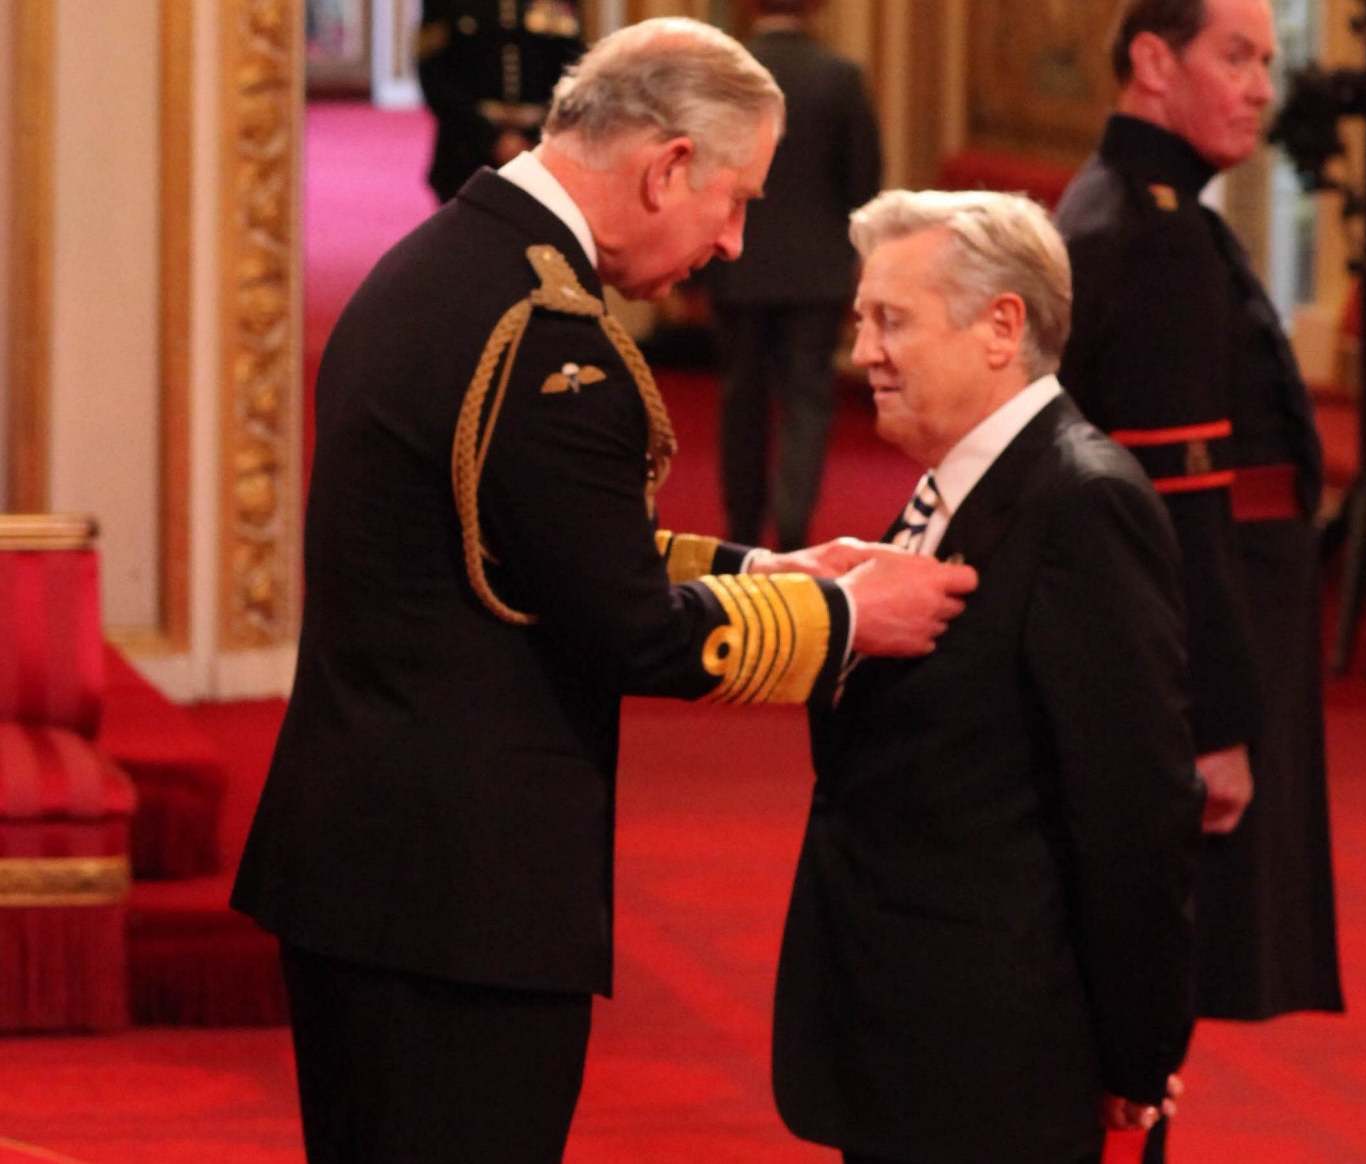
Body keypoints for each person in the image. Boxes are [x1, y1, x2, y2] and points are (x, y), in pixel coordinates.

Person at [232, 19, 977, 1164]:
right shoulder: (549, 339)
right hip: (461, 901)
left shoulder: (446, 260)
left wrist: (761, 569)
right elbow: (630, 632)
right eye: (733, 202)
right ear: (667, 165)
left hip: (370, 863)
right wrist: (842, 619)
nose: (732, 243)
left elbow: (538, 547)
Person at [771, 189, 1203, 1164]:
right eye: (859, 321)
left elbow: (1133, 807)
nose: (863, 352)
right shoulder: (953, 492)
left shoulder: (1081, 507)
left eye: (891, 321)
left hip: (995, 1061)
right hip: (909, 1037)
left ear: (1000, 326)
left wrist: (1137, 1051)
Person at [1054, 1, 1345, 1157]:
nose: (1262, 87)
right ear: (1151, 61)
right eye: (1236, 58)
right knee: (1143, 981)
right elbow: (1176, 507)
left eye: (1269, 63)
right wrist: (1216, 723)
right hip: (1185, 665)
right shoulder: (1157, 231)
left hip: (1159, 647)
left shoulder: (1124, 202)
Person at [704, 0, 881, 550]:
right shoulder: (841, 76)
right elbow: (864, 180)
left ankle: (740, 529)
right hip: (817, 274)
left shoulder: (726, 75)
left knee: (742, 400)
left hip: (739, 266)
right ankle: (794, 527)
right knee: (808, 400)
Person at [416, 0, 585, 203]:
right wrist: (491, 137)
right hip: (466, 149)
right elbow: (434, 75)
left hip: (542, 149)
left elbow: (575, 68)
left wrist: (537, 132)